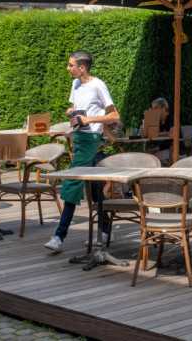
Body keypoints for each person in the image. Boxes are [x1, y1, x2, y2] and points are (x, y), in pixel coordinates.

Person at [45, 50, 119, 251]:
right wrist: (71, 111)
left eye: (71, 65)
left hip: (91, 140)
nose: (67, 68)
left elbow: (114, 116)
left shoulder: (98, 85)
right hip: (77, 138)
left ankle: (59, 236)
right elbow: (74, 106)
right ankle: (104, 230)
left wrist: (89, 119)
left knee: (72, 181)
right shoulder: (75, 84)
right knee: (94, 186)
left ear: (82, 67)